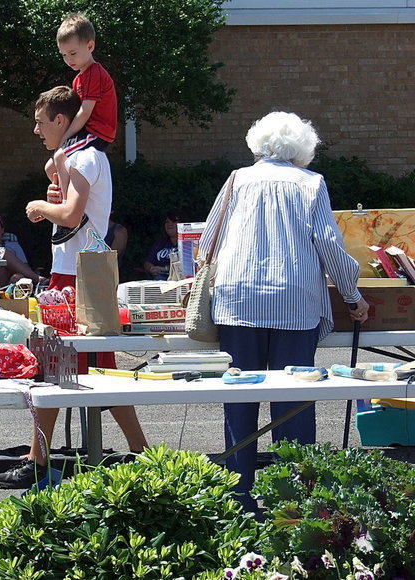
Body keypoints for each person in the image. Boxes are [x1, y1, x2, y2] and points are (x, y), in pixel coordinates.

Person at [197, 111, 369, 512]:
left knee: (239, 401)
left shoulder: (237, 179)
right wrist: (352, 295)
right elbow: (330, 245)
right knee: (293, 402)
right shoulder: (311, 184)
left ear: (258, 143)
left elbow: (207, 241)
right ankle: (291, 501)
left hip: (237, 299)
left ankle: (238, 499)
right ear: (302, 148)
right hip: (294, 301)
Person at [0, 86, 147, 489]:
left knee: (80, 369)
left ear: (61, 120)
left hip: (80, 276)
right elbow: (71, 212)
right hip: (73, 273)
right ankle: (135, 454)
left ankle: (44, 458)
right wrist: (52, 190)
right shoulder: (79, 157)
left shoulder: (87, 157)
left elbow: (72, 212)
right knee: (68, 367)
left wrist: (40, 207)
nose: (37, 129)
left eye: (41, 121)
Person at [48, 12, 118, 245]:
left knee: (59, 156)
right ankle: (68, 202)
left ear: (90, 46)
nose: (69, 59)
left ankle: (70, 215)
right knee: (51, 166)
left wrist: (64, 139)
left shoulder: (93, 73)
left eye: (73, 53)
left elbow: (85, 112)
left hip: (97, 132)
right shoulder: (79, 78)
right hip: (88, 131)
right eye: (64, 55)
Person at [0, 215, 42, 287]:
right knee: (1, 258)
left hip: (11, 281)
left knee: (19, 278)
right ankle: (38, 278)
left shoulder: (12, 245)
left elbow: (25, 267)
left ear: (2, 230)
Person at [143, 209, 182, 280]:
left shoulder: (187, 243)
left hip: (180, 278)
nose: (169, 224)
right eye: (167, 221)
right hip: (160, 279)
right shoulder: (161, 243)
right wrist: (152, 269)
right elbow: (147, 262)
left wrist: (164, 269)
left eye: (174, 221)